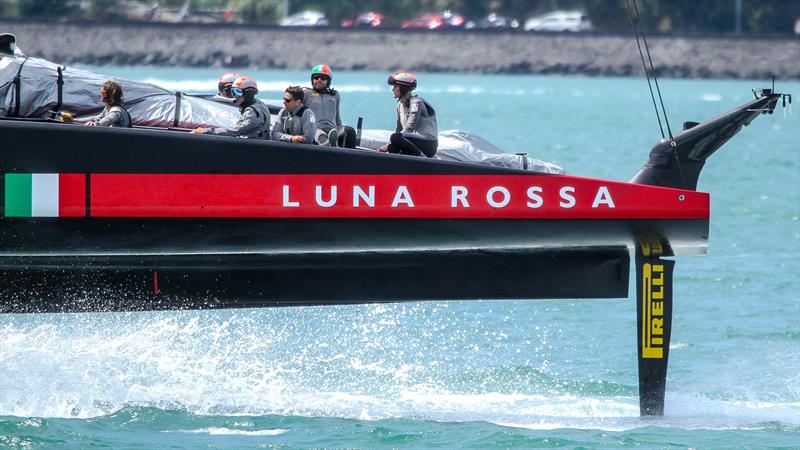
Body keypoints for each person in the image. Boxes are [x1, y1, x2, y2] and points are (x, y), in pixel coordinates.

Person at [377, 72, 438, 158]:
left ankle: (424, 159)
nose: (392, 90)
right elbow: (399, 130)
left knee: (395, 138)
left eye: (395, 87)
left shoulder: (416, 103)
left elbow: (409, 128)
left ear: (403, 88)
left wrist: (386, 147)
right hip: (413, 143)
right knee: (394, 143)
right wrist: (389, 147)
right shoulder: (399, 106)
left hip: (428, 144)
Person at [191, 76, 270, 139]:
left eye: (237, 92)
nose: (234, 96)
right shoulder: (259, 104)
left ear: (248, 94)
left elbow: (236, 131)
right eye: (233, 91)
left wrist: (207, 131)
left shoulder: (252, 112)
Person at [302, 64, 357, 148]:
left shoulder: (335, 95)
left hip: (332, 129)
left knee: (350, 131)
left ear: (329, 80)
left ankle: (351, 158)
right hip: (314, 128)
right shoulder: (305, 93)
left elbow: (337, 118)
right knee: (321, 136)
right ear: (312, 79)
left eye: (323, 78)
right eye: (316, 77)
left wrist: (342, 131)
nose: (319, 80)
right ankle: (331, 146)